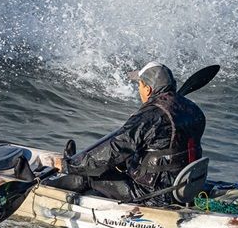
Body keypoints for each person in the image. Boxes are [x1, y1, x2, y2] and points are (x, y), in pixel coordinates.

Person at [45, 62, 205, 203]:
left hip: (153, 193)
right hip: (183, 185)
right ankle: (77, 165)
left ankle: (42, 187)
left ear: (148, 89)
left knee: (88, 175)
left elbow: (114, 149)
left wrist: (69, 166)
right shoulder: (193, 109)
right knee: (115, 163)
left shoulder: (150, 116)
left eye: (139, 85)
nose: (139, 89)